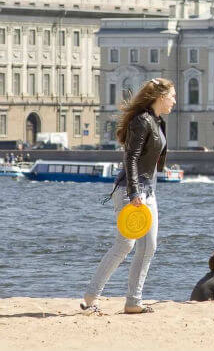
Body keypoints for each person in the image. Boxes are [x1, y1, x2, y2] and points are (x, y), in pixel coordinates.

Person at [80, 77, 176, 314]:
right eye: (172, 96)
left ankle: (133, 301)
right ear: (161, 97)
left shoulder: (158, 121)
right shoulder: (141, 121)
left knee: (149, 246)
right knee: (125, 245)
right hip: (131, 191)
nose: (174, 101)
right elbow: (130, 158)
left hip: (149, 192)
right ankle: (91, 297)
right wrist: (134, 192)